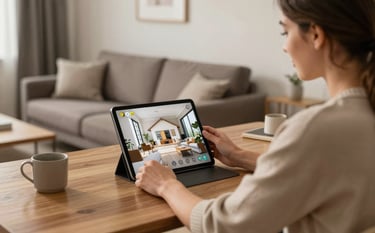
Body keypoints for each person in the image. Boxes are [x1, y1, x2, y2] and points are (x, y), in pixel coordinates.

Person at [135, 0, 375, 232]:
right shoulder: (361, 115)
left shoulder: (313, 128)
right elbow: (322, 170)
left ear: (315, 35)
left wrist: (166, 185)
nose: (284, 46)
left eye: (285, 32)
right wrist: (240, 157)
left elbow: (222, 225)